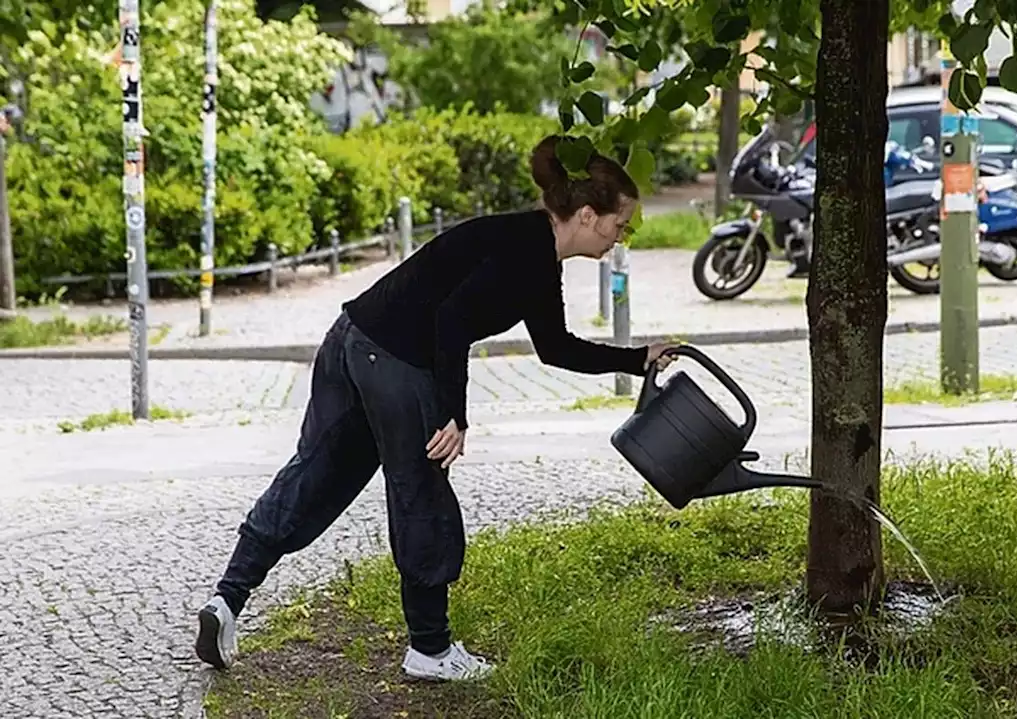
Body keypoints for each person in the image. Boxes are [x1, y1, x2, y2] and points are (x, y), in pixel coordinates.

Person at [194, 135, 680, 681]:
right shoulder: (529, 254)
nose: (621, 237)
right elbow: (451, 322)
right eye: (621, 225)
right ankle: (430, 650)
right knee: (421, 493)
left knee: (315, 476)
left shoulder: (530, 249)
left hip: (353, 338)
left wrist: (641, 358)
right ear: (588, 215)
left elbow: (555, 347)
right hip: (395, 362)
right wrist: (454, 415)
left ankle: (226, 602)